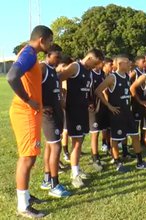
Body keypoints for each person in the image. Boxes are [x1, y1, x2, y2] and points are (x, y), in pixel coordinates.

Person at [7, 25, 53, 218]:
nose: (51, 44)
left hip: (29, 112)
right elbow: (11, 76)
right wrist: (27, 99)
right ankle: (23, 206)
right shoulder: (29, 54)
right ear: (41, 40)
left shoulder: (27, 53)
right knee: (27, 158)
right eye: (50, 40)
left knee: (30, 156)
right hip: (25, 112)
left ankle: (25, 195)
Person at [95, 55, 146, 171]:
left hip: (128, 113)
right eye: (127, 62)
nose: (129, 64)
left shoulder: (127, 76)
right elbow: (98, 91)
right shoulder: (112, 77)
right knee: (115, 139)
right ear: (120, 64)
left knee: (135, 136)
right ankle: (117, 163)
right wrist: (109, 106)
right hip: (117, 114)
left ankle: (140, 162)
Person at [58, 49, 104, 188]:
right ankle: (74, 174)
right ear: (89, 58)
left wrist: (89, 102)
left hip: (84, 110)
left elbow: (85, 89)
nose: (95, 67)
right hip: (74, 111)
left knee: (80, 141)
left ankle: (76, 168)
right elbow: (58, 79)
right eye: (95, 63)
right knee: (77, 143)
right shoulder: (75, 67)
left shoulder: (88, 71)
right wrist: (62, 98)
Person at [39, 44, 71, 198]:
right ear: (48, 54)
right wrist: (41, 106)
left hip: (57, 112)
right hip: (48, 115)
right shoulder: (42, 68)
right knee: (56, 147)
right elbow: (28, 86)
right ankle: (54, 184)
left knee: (51, 146)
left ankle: (46, 180)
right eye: (56, 56)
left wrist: (62, 98)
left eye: (60, 57)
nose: (58, 59)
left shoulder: (53, 70)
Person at [88, 61, 107, 172]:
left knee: (99, 131)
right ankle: (95, 158)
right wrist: (89, 103)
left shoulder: (102, 73)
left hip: (102, 107)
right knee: (94, 133)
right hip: (93, 108)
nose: (103, 63)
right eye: (101, 61)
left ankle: (95, 155)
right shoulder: (90, 74)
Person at [100, 58, 113, 153]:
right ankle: (104, 143)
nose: (112, 66)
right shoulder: (101, 76)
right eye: (110, 64)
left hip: (109, 103)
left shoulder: (110, 75)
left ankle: (109, 144)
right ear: (104, 65)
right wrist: (108, 104)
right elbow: (104, 91)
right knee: (104, 127)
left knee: (109, 126)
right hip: (103, 104)